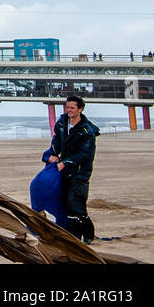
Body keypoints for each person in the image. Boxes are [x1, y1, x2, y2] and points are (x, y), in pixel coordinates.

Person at [49, 95, 99, 244]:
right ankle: (84, 235)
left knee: (75, 203)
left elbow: (84, 154)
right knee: (68, 202)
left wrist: (66, 162)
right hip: (64, 171)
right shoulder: (62, 122)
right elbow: (56, 139)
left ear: (80, 109)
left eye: (72, 108)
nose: (68, 110)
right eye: (67, 107)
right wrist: (53, 153)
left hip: (80, 173)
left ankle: (79, 238)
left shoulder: (87, 131)